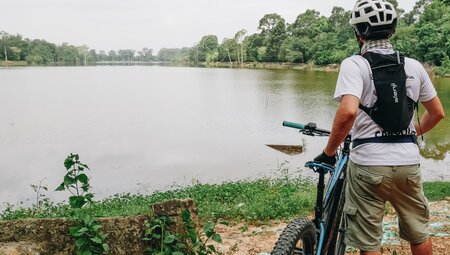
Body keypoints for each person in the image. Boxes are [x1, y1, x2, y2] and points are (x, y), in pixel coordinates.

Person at [313, 0, 445, 254]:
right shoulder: (414, 66)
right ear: (392, 31)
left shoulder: (354, 64)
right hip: (407, 162)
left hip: (368, 163)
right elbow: (437, 113)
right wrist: (410, 134)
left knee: (369, 238)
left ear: (358, 33)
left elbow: (348, 111)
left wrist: (329, 151)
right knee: (418, 232)